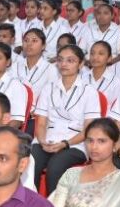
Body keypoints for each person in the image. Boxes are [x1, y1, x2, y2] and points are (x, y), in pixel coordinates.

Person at [31, 44, 100, 194]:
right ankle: (30, 204)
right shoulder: (48, 88)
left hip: (75, 143)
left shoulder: (89, 92)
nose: (64, 64)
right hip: (47, 140)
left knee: (56, 166)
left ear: (80, 64)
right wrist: (42, 141)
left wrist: (65, 144)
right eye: (61, 60)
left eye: (70, 60)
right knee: (30, 161)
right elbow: (41, 123)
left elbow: (89, 129)